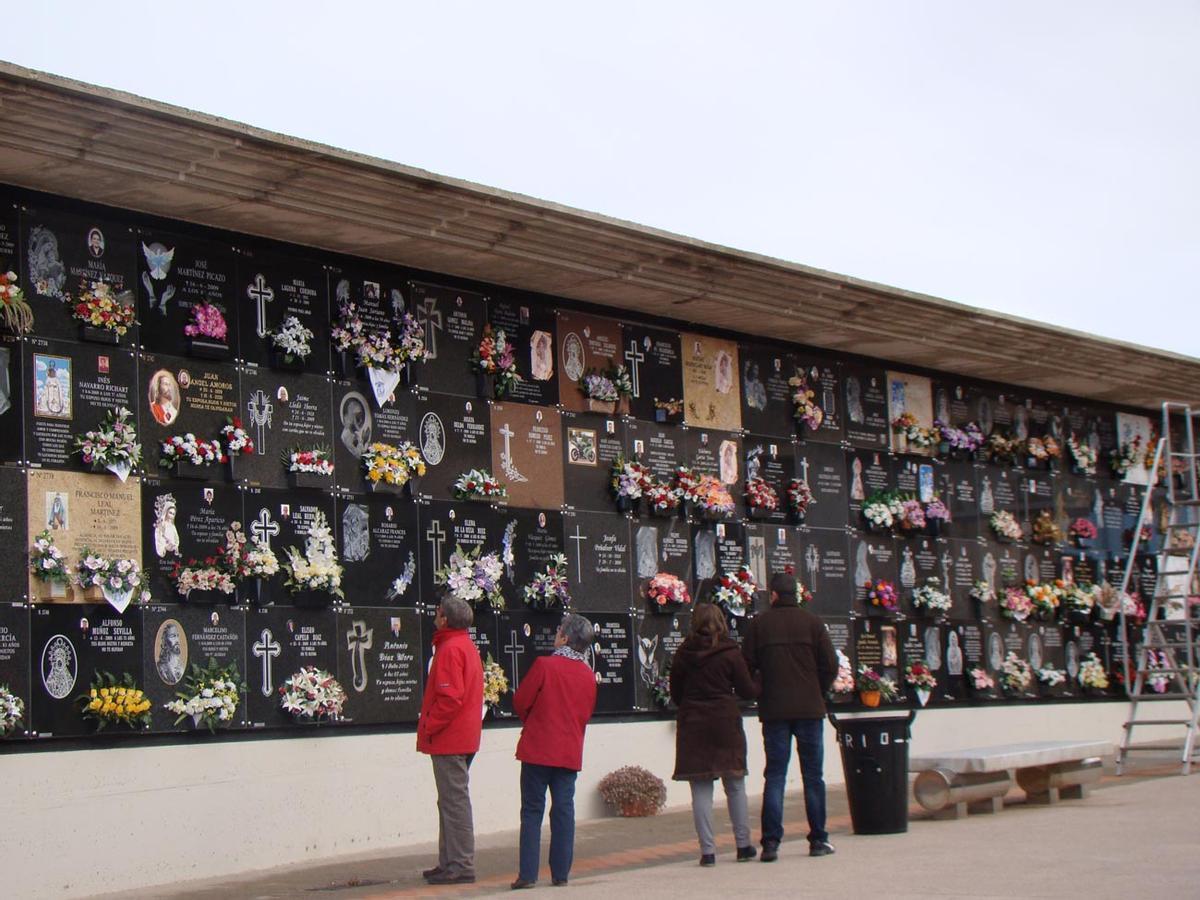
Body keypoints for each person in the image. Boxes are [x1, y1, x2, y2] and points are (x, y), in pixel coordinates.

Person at [742, 572, 838, 861]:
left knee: (775, 775)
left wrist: (761, 691)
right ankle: (818, 840)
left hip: (775, 711)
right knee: (813, 777)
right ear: (795, 594)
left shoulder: (760, 625)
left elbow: (745, 665)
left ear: (773, 595)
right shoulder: (813, 623)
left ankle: (770, 843)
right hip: (810, 710)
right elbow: (830, 665)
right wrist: (816, 690)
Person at [510, 614, 597, 889]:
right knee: (563, 810)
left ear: (565, 638)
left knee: (532, 811)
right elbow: (585, 713)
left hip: (538, 748)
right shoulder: (587, 674)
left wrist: (535, 722)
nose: (556, 634)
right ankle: (560, 873)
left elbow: (521, 701)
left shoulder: (545, 666)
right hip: (568, 751)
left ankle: (527, 874)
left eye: (559, 630)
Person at [670, 604, 760, 866]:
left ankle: (707, 851)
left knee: (700, 788)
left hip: (694, 724)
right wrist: (761, 680)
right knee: (734, 784)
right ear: (721, 622)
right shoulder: (731, 653)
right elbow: (746, 689)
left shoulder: (683, 654)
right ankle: (743, 845)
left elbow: (677, 694)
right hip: (724, 722)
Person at [417, 596, 484, 885]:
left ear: (445, 618)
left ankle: (460, 864)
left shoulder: (449, 649)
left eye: (438, 610)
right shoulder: (464, 645)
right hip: (462, 736)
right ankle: (448, 862)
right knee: (449, 800)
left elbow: (449, 697)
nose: (434, 613)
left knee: (454, 801)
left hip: (449, 738)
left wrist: (430, 725)